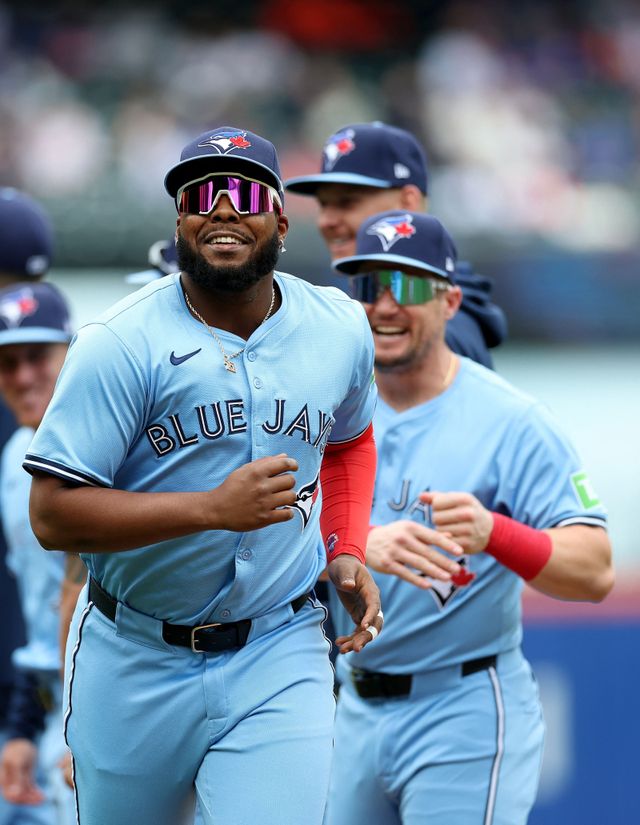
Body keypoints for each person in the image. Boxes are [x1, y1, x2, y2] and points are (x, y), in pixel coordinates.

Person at [24, 126, 383, 825]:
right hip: (135, 653)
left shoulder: (339, 327)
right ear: (179, 222)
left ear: (281, 222)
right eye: (201, 195)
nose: (222, 208)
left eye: (244, 193)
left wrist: (345, 546)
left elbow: (350, 441)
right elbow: (52, 513)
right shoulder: (118, 343)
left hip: (279, 645)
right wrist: (210, 509)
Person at [323, 209, 614, 825]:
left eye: (406, 285)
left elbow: (594, 571)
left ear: (450, 301)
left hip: (463, 704)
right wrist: (354, 544)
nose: (385, 306)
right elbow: (255, 536)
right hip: (351, 703)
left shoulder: (512, 421)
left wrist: (496, 533)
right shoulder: (325, 408)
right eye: (369, 285)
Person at [285, 121, 507, 369]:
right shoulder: (349, 303)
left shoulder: (445, 322)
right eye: (323, 205)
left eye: (347, 203)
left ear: (407, 202)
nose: (326, 221)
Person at [0, 281, 76, 825]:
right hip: (50, 702)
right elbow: (40, 601)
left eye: (37, 357)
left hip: (109, 702)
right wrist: (24, 725)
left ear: (70, 354)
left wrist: (89, 723)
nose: (23, 376)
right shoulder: (12, 457)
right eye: (8, 362)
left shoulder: (107, 446)